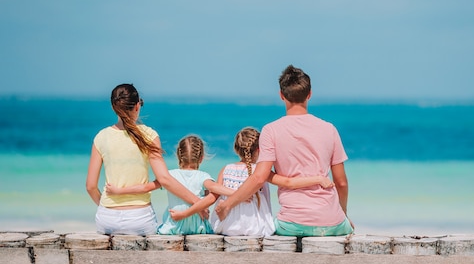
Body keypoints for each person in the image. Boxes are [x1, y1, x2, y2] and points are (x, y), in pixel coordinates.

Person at [214, 65, 353, 237]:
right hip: (332, 222)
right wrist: (343, 215)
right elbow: (341, 183)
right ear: (309, 94)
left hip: (291, 224)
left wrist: (228, 205)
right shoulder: (329, 129)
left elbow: (258, 178)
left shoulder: (271, 130)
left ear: (281, 95)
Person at [85, 83, 207, 235]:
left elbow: (90, 186)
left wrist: (106, 209)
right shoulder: (149, 135)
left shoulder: (101, 137)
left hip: (107, 219)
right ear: (137, 106)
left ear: (113, 107)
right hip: (139, 219)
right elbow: (164, 179)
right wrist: (198, 203)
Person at [170, 126, 335, 236]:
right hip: (257, 228)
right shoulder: (261, 172)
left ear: (236, 149)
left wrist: (191, 212)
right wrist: (319, 179)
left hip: (227, 227)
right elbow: (289, 183)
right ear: (259, 149)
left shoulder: (226, 169)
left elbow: (211, 198)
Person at [106, 135, 236, 235]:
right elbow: (215, 188)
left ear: (179, 156)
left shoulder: (170, 176)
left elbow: (145, 188)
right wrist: (237, 193)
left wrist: (118, 191)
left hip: (174, 226)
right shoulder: (203, 176)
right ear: (201, 157)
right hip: (199, 228)